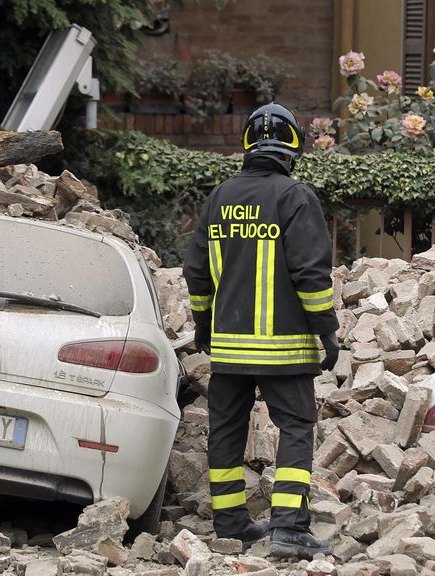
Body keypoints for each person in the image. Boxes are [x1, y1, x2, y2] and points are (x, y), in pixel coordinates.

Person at [183, 103, 340, 560]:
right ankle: (289, 527)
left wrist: (203, 324)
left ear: (248, 144)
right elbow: (311, 274)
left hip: (229, 348)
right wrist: (326, 330)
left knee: (226, 430)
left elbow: (197, 273)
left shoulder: (218, 199)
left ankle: (231, 525)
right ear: (293, 147)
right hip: (284, 349)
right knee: (295, 426)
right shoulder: (295, 197)